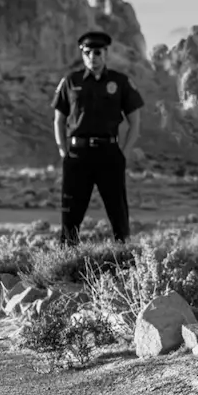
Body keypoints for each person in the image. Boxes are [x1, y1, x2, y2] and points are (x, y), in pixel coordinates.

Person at [52, 30, 145, 244]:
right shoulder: (70, 81)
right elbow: (59, 120)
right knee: (71, 213)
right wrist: (63, 151)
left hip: (109, 153)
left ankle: (123, 259)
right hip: (78, 154)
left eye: (97, 52)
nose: (93, 57)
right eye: (88, 53)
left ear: (105, 54)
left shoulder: (120, 82)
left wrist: (124, 152)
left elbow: (135, 122)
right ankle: (67, 260)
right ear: (82, 54)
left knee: (118, 211)